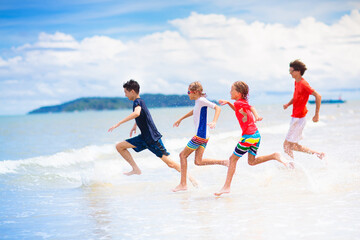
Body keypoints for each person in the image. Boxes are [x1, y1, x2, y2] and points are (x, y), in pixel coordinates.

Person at [108, 79, 197, 186]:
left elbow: (137, 113)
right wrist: (135, 125)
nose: (125, 95)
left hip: (153, 139)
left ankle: (192, 180)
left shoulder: (137, 102)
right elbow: (142, 115)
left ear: (132, 91)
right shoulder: (140, 102)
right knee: (120, 146)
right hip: (144, 138)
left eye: (126, 92)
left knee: (170, 164)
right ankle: (135, 169)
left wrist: (119, 123)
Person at [214, 81, 287, 196]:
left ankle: (226, 187)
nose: (230, 92)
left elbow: (252, 108)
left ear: (238, 93)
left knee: (232, 159)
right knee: (251, 162)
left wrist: (256, 116)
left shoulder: (239, 103)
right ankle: (274, 155)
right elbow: (238, 110)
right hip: (256, 136)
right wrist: (228, 103)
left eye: (232, 90)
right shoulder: (240, 103)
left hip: (248, 137)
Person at [172, 81, 227, 192]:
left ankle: (183, 184)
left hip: (200, 135)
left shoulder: (202, 100)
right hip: (205, 136)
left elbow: (218, 108)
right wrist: (180, 119)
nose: (188, 94)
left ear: (196, 92)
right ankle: (224, 162)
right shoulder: (198, 102)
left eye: (189, 92)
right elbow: (194, 111)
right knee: (198, 161)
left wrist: (214, 121)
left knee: (182, 155)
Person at [283, 60, 325, 164]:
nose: (290, 73)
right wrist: (288, 104)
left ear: (298, 71)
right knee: (294, 146)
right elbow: (296, 96)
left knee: (286, 146)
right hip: (296, 117)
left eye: (291, 71)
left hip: (299, 118)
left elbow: (318, 96)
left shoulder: (303, 84)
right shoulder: (296, 82)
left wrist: (317, 114)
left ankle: (292, 168)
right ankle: (318, 154)